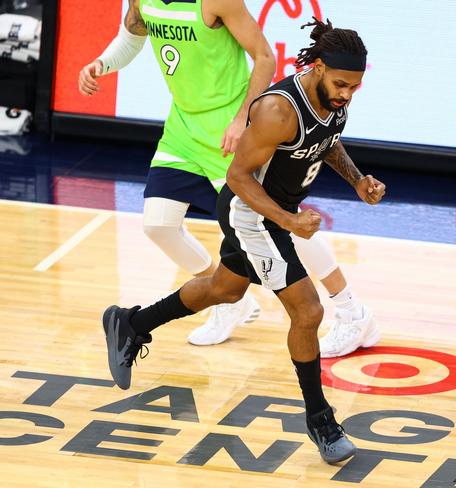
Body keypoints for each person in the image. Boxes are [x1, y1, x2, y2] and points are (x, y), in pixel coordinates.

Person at [101, 18, 386, 464]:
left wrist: (357, 181)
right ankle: (321, 421)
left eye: (354, 86)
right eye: (342, 83)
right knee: (308, 311)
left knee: (223, 289)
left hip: (275, 215)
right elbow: (237, 176)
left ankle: (131, 324)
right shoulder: (278, 110)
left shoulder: (333, 99)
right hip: (251, 214)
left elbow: (327, 143)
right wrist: (289, 221)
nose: (348, 93)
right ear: (316, 68)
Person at [79, 0, 379, 357]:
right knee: (159, 225)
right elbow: (132, 34)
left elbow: (265, 57)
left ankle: (350, 311)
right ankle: (229, 301)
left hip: (231, 128)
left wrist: (241, 120)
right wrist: (103, 63)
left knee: (277, 220)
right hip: (184, 127)